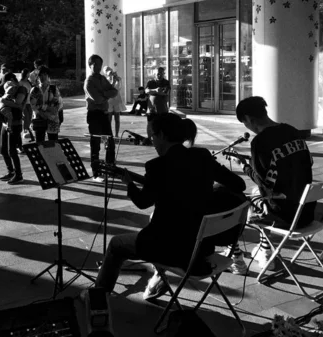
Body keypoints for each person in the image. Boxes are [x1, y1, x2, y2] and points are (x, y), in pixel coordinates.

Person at [94, 113, 246, 296]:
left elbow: (142, 202)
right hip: (201, 246)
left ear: (163, 136)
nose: (153, 142)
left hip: (169, 249)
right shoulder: (202, 156)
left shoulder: (157, 166)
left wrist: (129, 184)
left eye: (153, 137)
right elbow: (239, 185)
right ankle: (158, 280)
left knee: (116, 244)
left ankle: (98, 297)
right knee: (164, 222)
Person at [229, 96, 316, 272]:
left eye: (245, 123)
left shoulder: (260, 142)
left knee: (238, 200)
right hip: (307, 211)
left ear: (249, 119)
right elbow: (304, 163)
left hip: (287, 216)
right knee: (259, 194)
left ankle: (253, 253)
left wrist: (243, 166)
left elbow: (264, 186)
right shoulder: (292, 131)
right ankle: (264, 249)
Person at [83, 55, 119, 182]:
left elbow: (114, 91)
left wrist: (103, 94)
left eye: (100, 64)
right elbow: (97, 99)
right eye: (96, 64)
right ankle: (96, 173)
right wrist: (106, 94)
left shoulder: (103, 78)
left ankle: (110, 169)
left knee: (110, 142)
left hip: (104, 113)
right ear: (90, 65)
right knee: (96, 144)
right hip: (94, 114)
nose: (98, 67)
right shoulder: (89, 81)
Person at [0, 72, 28, 184]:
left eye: (6, 83)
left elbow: (19, 105)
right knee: (3, 149)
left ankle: (18, 174)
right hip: (5, 122)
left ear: (11, 80)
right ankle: (11, 171)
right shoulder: (10, 90)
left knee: (12, 151)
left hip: (15, 123)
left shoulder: (21, 89)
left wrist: (4, 101)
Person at [30, 66, 63, 143]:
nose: (42, 77)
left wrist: (42, 107)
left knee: (53, 144)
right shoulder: (35, 90)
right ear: (37, 77)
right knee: (40, 143)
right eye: (40, 75)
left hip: (52, 120)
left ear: (48, 76)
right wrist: (43, 111)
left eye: (45, 74)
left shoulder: (54, 89)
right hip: (39, 119)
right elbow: (33, 106)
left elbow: (57, 106)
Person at [145, 67, 170, 143]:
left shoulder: (166, 82)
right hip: (152, 108)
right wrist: (155, 90)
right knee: (150, 124)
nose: (160, 75)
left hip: (162, 108)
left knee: (163, 124)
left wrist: (153, 92)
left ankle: (162, 139)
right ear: (155, 74)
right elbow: (146, 91)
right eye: (158, 73)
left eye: (162, 73)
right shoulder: (150, 82)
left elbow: (165, 92)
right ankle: (149, 138)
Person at [0, 64, 11, 154]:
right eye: (2, 70)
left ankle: (12, 146)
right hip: (0, 105)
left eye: (5, 71)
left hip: (8, 106)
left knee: (10, 127)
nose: (3, 72)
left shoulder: (10, 82)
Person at [104, 66, 125, 138]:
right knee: (109, 119)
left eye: (110, 70)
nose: (110, 72)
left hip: (117, 100)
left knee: (117, 119)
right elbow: (109, 89)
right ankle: (110, 134)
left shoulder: (117, 79)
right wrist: (112, 81)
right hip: (109, 101)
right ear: (105, 73)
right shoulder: (105, 80)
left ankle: (116, 134)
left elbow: (119, 88)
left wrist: (117, 80)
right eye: (107, 70)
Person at [19, 68, 35, 144]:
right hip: (23, 103)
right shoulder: (20, 82)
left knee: (29, 117)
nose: (29, 75)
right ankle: (25, 132)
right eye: (28, 73)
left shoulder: (28, 82)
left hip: (29, 103)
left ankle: (29, 132)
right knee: (26, 118)